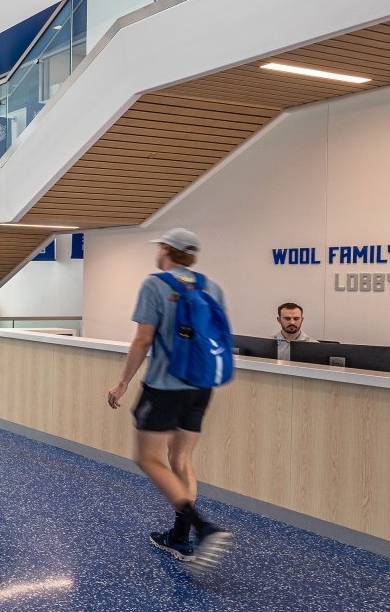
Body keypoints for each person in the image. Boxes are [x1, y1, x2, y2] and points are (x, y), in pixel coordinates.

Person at [107, 228, 234, 571]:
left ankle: (202, 526)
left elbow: (142, 341)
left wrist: (122, 382)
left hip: (164, 387)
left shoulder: (155, 284)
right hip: (201, 386)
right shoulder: (212, 287)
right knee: (181, 459)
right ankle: (180, 537)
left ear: (166, 249)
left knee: (147, 458)